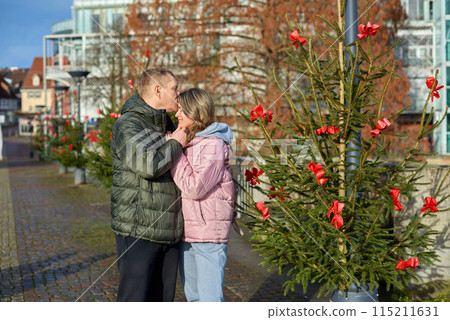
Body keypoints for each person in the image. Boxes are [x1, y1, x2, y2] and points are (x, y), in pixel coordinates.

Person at [110, 68, 188, 302]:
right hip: (139, 232)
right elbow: (147, 165)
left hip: (169, 232)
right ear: (158, 90)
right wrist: (176, 143)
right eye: (175, 88)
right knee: (135, 300)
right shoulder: (127, 124)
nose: (179, 93)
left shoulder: (167, 124)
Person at [169, 88, 235, 302]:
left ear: (196, 112)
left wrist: (174, 153)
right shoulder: (189, 140)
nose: (177, 114)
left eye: (182, 110)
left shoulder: (214, 145)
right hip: (187, 232)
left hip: (208, 233)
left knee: (209, 300)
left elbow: (195, 188)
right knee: (194, 297)